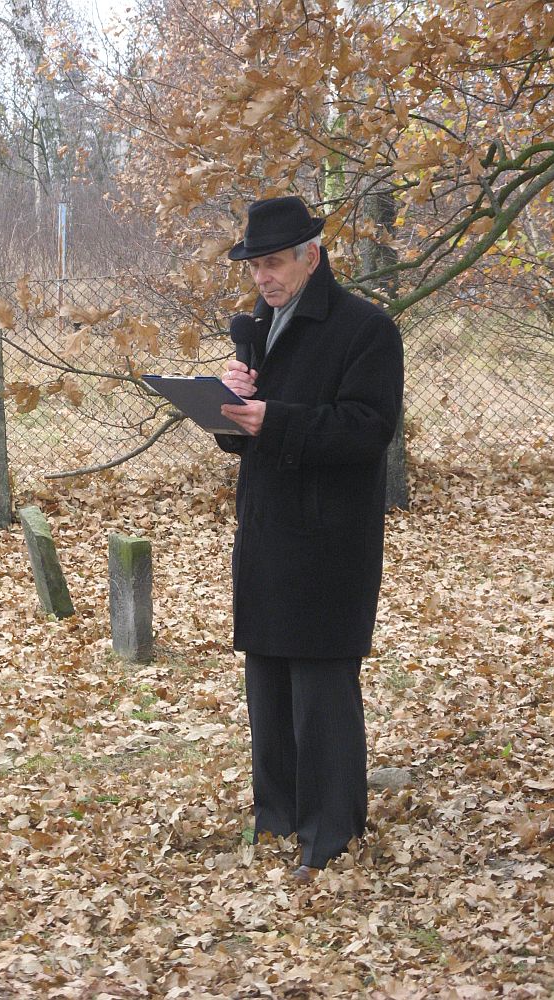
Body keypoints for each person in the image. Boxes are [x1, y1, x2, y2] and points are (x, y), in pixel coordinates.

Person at [216, 196, 404, 881]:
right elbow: (248, 437)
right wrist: (226, 408)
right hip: (268, 527)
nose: (264, 277)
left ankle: (330, 831)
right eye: (256, 265)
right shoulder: (262, 326)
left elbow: (365, 429)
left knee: (322, 685)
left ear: (312, 258)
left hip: (329, 537)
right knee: (267, 676)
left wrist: (272, 422)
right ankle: (278, 816)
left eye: (275, 263)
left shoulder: (366, 330)